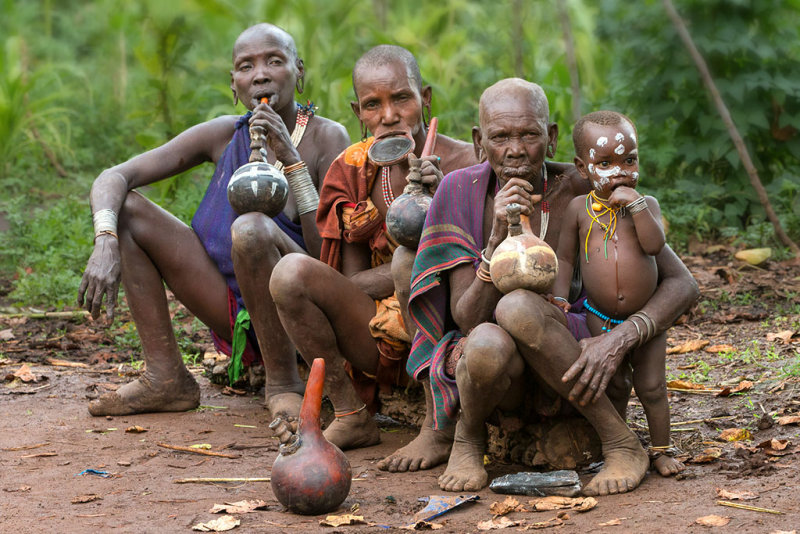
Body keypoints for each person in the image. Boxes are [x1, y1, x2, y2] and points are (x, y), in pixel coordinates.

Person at [407, 78, 699, 496]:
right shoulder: (460, 190)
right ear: (478, 141)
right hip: (494, 369)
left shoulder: (586, 189)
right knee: (491, 336)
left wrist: (617, 339)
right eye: (500, 137)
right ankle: (467, 439)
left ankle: (619, 441)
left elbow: (682, 284)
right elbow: (467, 318)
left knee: (519, 308)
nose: (515, 150)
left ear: (553, 137)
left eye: (529, 134)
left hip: (576, 355)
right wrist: (495, 238)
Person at [77, 23, 350, 417]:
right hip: (236, 310)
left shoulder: (329, 139)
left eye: (275, 61)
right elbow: (114, 177)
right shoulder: (225, 135)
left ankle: (284, 383)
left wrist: (291, 159)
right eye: (246, 66)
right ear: (234, 83)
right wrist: (104, 238)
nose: (260, 74)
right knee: (127, 211)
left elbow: (327, 259)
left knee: (253, 229)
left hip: (303, 312)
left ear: (299, 71)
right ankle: (165, 377)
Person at [268, 45, 477, 451]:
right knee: (290, 273)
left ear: (425, 99)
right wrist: (404, 270)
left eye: (402, 98)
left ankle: (443, 421)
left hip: (457, 335)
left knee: (410, 260)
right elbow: (351, 282)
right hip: (382, 337)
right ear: (358, 113)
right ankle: (350, 414)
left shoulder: (466, 164)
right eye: (372, 105)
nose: (388, 116)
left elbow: (479, 274)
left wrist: (442, 206)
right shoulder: (354, 170)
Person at [550, 110, 685, 477]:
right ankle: (620, 447)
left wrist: (638, 207)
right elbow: (564, 259)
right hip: (600, 315)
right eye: (605, 163)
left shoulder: (647, 206)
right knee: (614, 383)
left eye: (629, 160)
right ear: (582, 167)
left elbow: (655, 247)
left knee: (652, 386)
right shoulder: (579, 210)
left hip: (646, 320)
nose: (621, 172)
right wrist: (560, 299)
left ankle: (661, 448)